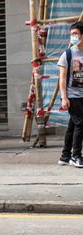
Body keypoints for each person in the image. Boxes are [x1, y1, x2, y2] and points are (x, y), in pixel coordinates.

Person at [58, 22, 83, 168]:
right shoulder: (67, 54)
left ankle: (65, 156)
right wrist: (64, 97)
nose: (73, 37)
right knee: (80, 123)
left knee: (73, 125)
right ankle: (76, 156)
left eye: (76, 34)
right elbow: (62, 77)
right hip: (72, 96)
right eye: (71, 34)